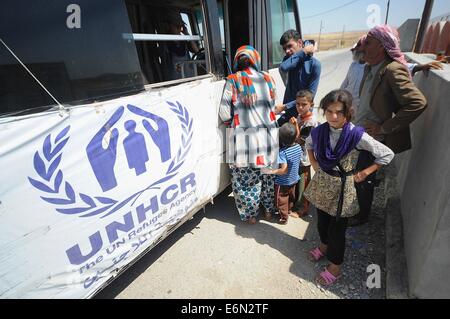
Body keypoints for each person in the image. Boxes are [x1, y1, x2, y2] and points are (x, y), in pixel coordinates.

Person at [303, 89, 394, 286]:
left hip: (343, 189)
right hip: (323, 183)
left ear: (348, 113)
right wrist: (314, 163)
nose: (333, 116)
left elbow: (387, 155)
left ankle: (335, 267)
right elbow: (308, 144)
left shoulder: (356, 135)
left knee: (337, 229)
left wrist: (365, 172)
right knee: (322, 221)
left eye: (339, 112)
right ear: (323, 111)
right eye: (329, 111)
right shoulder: (319, 131)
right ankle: (324, 246)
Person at [349, 25, 428, 227]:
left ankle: (362, 215)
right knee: (358, 173)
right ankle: (359, 208)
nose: (362, 46)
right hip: (360, 132)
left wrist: (384, 128)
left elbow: (417, 103)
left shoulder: (392, 70)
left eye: (368, 43)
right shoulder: (370, 67)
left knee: (364, 177)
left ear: (383, 47)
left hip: (374, 138)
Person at [219, 45, 278, 225]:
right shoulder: (268, 78)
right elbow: (273, 107)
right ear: (255, 59)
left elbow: (224, 113)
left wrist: (235, 120)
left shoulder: (233, 80)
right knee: (267, 175)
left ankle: (250, 215)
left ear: (238, 60)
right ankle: (268, 210)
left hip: (244, 138)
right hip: (268, 136)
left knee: (245, 179)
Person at [275, 30, 321, 126]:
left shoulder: (314, 65)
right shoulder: (289, 60)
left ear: (300, 43)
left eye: (289, 46)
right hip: (289, 112)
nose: (287, 51)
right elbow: (283, 67)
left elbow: (310, 96)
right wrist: (303, 51)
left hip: (304, 114)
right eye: (284, 48)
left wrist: (284, 107)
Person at [262, 119, 302, 224]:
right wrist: (296, 125)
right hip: (294, 179)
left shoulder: (283, 152)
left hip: (283, 181)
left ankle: (283, 218)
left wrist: (270, 171)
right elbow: (297, 135)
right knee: (290, 197)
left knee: (282, 199)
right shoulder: (298, 146)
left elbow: (283, 170)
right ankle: (289, 211)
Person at [291, 90, 320, 217]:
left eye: (304, 104)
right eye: (298, 104)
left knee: (303, 183)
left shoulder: (311, 122)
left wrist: (295, 126)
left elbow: (301, 141)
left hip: (305, 158)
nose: (300, 107)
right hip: (298, 156)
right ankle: (296, 204)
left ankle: (302, 209)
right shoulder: (300, 116)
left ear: (311, 104)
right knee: (297, 182)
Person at [160, 9, 199, 81]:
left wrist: (187, 34)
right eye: (176, 26)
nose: (179, 29)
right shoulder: (164, 43)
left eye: (180, 26)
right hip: (175, 83)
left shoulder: (184, 41)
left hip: (190, 79)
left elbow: (197, 52)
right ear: (168, 26)